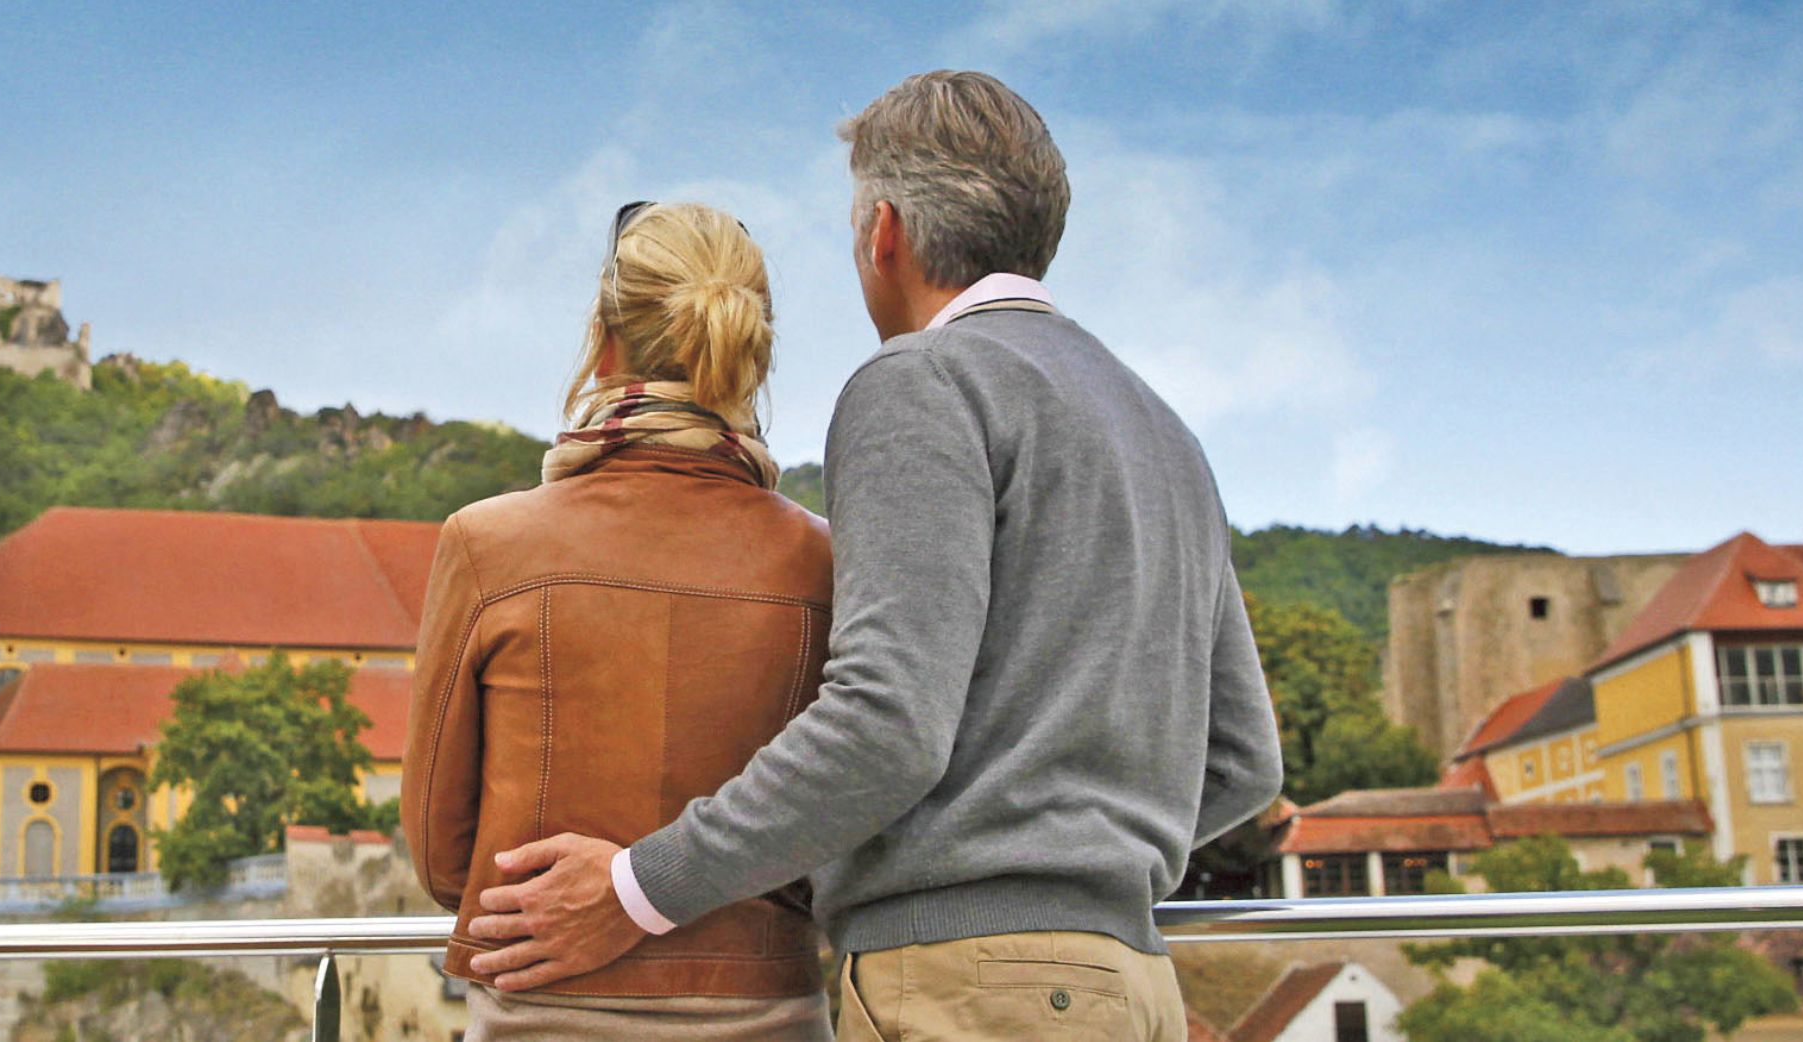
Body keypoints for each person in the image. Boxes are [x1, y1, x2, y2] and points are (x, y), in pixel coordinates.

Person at [461, 70, 1286, 1041]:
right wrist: (1078, 859)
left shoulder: (922, 382)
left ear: (884, 233)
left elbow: (887, 725)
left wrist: (637, 886)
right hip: (1133, 985)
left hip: (971, 990)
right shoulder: (1160, 426)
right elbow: (1244, 761)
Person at [405, 201, 836, 1040]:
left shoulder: (487, 546)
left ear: (604, 344)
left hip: (543, 1010)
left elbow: (441, 853)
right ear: (750, 360)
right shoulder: (825, 561)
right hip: (767, 1010)